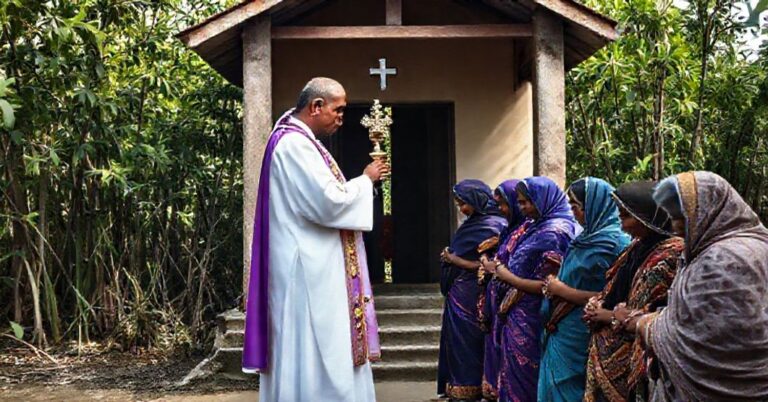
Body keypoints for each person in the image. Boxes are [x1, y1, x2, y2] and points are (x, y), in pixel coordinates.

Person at [242, 78, 389, 402]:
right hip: (308, 269)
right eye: (338, 110)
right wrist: (366, 180)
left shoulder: (297, 140)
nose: (341, 118)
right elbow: (327, 202)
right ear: (316, 106)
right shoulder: (295, 145)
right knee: (317, 343)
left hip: (311, 262)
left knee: (316, 343)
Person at [632, 171, 768, 401]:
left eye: (681, 217)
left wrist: (647, 326)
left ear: (710, 211)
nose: (675, 227)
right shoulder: (748, 244)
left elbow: (700, 343)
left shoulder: (722, 261)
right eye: (672, 217)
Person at [583, 181, 682, 402]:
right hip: (605, 349)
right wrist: (596, 303)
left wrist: (607, 315)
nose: (621, 223)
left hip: (634, 355)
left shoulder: (670, 255)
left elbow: (655, 311)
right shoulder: (637, 246)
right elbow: (615, 287)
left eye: (626, 216)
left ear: (647, 216)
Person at [538, 178, 629, 402]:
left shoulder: (617, 244)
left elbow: (616, 294)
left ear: (594, 206)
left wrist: (561, 289)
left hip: (582, 328)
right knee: (552, 385)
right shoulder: (583, 238)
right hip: (560, 326)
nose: (573, 213)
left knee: (571, 386)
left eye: (576, 206)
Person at [493, 176, 580, 402]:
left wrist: (507, 276)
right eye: (519, 202)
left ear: (543, 199)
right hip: (517, 309)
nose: (522, 208)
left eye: (526, 202)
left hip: (533, 314)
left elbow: (550, 283)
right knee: (513, 372)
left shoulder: (555, 232)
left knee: (526, 373)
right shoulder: (533, 226)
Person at [438, 179, 508, 401]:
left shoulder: (495, 226)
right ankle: (458, 387)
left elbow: (491, 265)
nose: (461, 209)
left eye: (464, 204)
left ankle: (472, 388)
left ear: (477, 200)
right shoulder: (473, 223)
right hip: (458, 293)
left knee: (471, 342)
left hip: (474, 295)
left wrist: (453, 259)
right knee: (457, 343)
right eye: (459, 204)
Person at [478, 179, 530, 401]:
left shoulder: (530, 232)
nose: (500, 209)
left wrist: (496, 269)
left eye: (504, 204)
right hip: (500, 306)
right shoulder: (510, 231)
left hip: (520, 309)